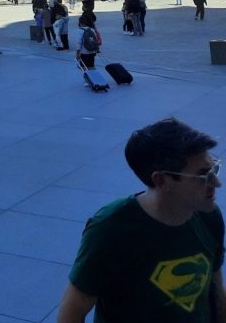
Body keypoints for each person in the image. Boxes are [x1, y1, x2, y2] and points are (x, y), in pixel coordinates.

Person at [56, 117, 225, 323]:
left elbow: (216, 289)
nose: (217, 183)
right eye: (203, 176)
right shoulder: (111, 229)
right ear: (161, 180)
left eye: (214, 169)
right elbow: (72, 311)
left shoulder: (208, 216)